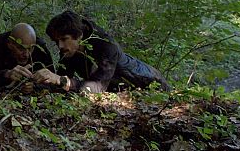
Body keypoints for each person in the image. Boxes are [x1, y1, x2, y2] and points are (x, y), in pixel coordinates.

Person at [33, 10, 170, 93]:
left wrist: (61, 80)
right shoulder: (69, 49)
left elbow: (97, 88)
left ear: (79, 35)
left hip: (150, 83)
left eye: (64, 39)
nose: (60, 46)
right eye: (56, 41)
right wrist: (35, 84)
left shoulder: (105, 46)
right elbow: (61, 83)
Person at [0, 23, 54, 88]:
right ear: (9, 44)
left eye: (31, 49)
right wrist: (7, 74)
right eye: (21, 49)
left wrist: (34, 86)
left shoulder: (40, 48)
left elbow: (52, 79)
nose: (27, 55)